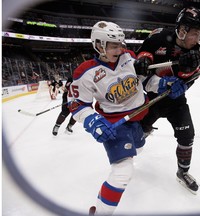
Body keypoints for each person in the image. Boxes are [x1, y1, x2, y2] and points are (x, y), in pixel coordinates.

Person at [68, 21, 187, 215]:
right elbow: (76, 104)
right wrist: (92, 120)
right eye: (114, 45)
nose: (120, 49)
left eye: (121, 44)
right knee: (123, 172)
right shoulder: (85, 72)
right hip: (115, 126)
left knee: (138, 148)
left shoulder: (130, 58)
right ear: (99, 45)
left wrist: (164, 84)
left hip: (138, 121)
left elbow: (146, 81)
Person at [134, 6, 200, 194]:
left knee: (187, 135)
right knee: (136, 139)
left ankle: (183, 172)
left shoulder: (199, 54)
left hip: (176, 102)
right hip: (151, 101)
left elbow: (191, 79)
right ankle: (128, 156)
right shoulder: (158, 37)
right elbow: (141, 66)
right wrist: (143, 62)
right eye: (195, 34)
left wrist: (184, 83)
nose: (198, 39)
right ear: (182, 30)